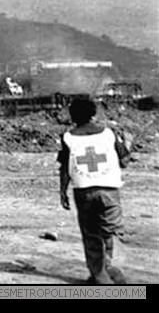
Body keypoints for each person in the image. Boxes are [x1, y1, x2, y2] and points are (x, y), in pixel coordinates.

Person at [57, 97, 132, 285]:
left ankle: (100, 276)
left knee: (91, 234)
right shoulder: (109, 133)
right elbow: (124, 161)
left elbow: (65, 168)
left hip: (83, 190)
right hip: (109, 189)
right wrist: (128, 145)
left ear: (72, 116)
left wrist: (62, 192)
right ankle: (110, 269)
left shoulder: (67, 137)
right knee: (109, 232)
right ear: (94, 113)